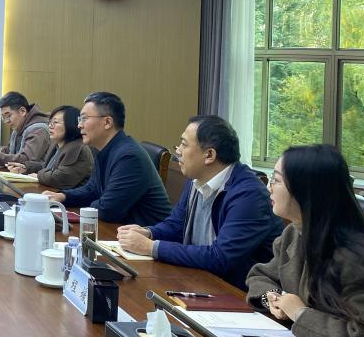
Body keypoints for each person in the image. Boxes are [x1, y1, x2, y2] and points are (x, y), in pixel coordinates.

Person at [116, 115, 284, 290]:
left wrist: (151, 247)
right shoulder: (197, 178)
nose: (178, 151)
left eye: (184, 144)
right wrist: (148, 233)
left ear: (209, 155)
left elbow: (221, 257)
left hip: (235, 293)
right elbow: (176, 225)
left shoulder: (249, 195)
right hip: (198, 278)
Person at [246, 145, 364, 336]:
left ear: (305, 190)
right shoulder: (294, 233)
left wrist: (300, 314)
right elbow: (261, 275)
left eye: (276, 180)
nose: (269, 187)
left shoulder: (356, 260)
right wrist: (272, 299)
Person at [45, 92, 171, 226]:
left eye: (84, 118)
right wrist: (63, 196)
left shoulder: (129, 156)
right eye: (79, 119)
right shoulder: (106, 149)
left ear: (107, 122)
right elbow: (92, 190)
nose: (79, 125)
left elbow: (108, 210)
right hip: (119, 229)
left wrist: (92, 203)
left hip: (146, 234)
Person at [7, 105, 93, 191]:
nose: (50, 126)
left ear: (70, 124)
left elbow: (60, 178)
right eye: (50, 122)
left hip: (68, 198)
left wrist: (38, 176)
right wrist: (26, 168)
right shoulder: (58, 145)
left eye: (55, 122)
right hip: (52, 193)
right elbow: (47, 167)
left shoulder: (77, 147)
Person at [0, 91, 51, 168]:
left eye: (8, 116)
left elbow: (26, 160)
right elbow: (9, 151)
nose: (6, 121)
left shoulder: (38, 130)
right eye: (3, 117)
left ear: (22, 111)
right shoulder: (19, 128)